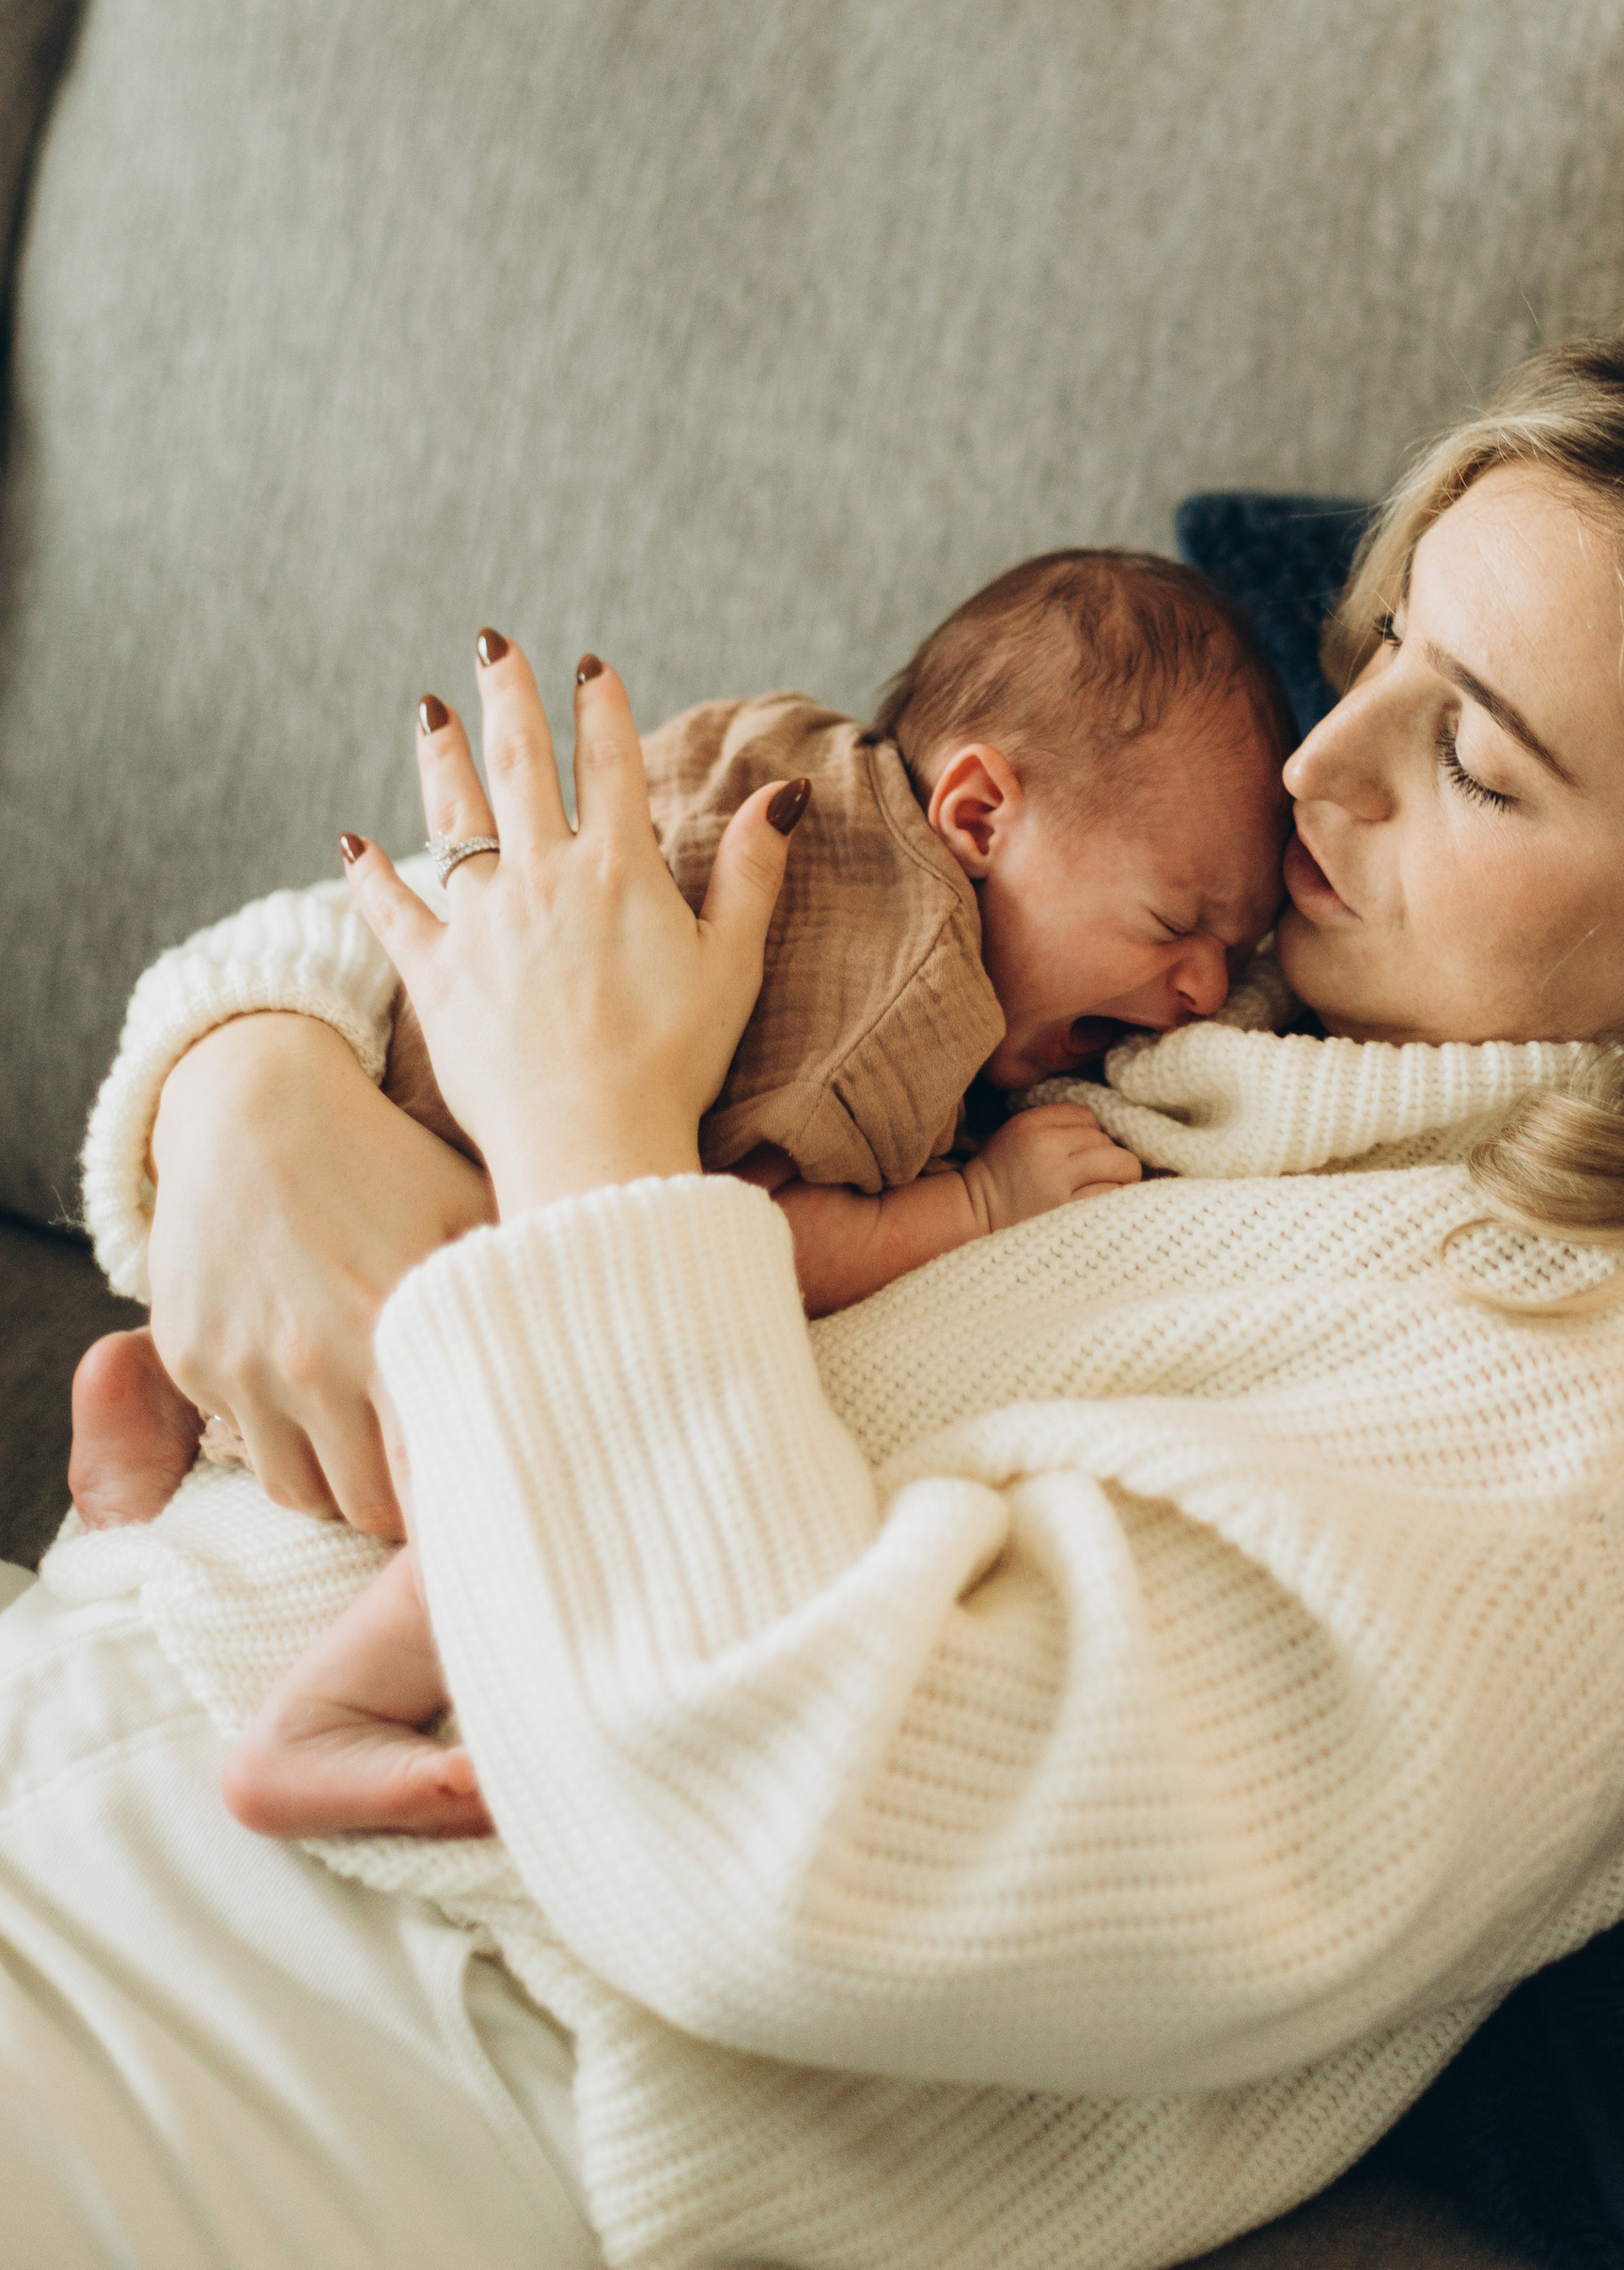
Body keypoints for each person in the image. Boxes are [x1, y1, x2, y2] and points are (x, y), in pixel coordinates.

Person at [0, 324, 1624, 2270]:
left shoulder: (1596, 1447)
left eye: (1469, 753)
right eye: (1373, 658)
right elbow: (491, 954)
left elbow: (804, 1856)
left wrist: (578, 1141)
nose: (1315, 767)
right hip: (48, 1678)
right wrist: (252, 1093)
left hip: (311, 2032)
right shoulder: (1232, 1001)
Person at [62, 550, 1292, 1839]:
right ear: (979, 817)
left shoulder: (782, 751)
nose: (1208, 990)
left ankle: (155, 1392)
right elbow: (719, 1243)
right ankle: (323, 1716)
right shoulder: (906, 1003)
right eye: (1175, 927)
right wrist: (977, 1203)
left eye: (1235, 953)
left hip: (387, 1130)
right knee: (547, 1445)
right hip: (464, 1263)